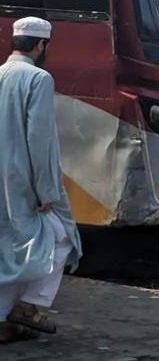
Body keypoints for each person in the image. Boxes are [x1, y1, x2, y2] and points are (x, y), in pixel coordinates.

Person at [0, 18, 82, 343]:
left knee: (9, 249)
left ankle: (7, 320)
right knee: (61, 239)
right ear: (41, 45)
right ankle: (31, 305)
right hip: (21, 183)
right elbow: (41, 138)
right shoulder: (38, 79)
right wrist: (46, 189)